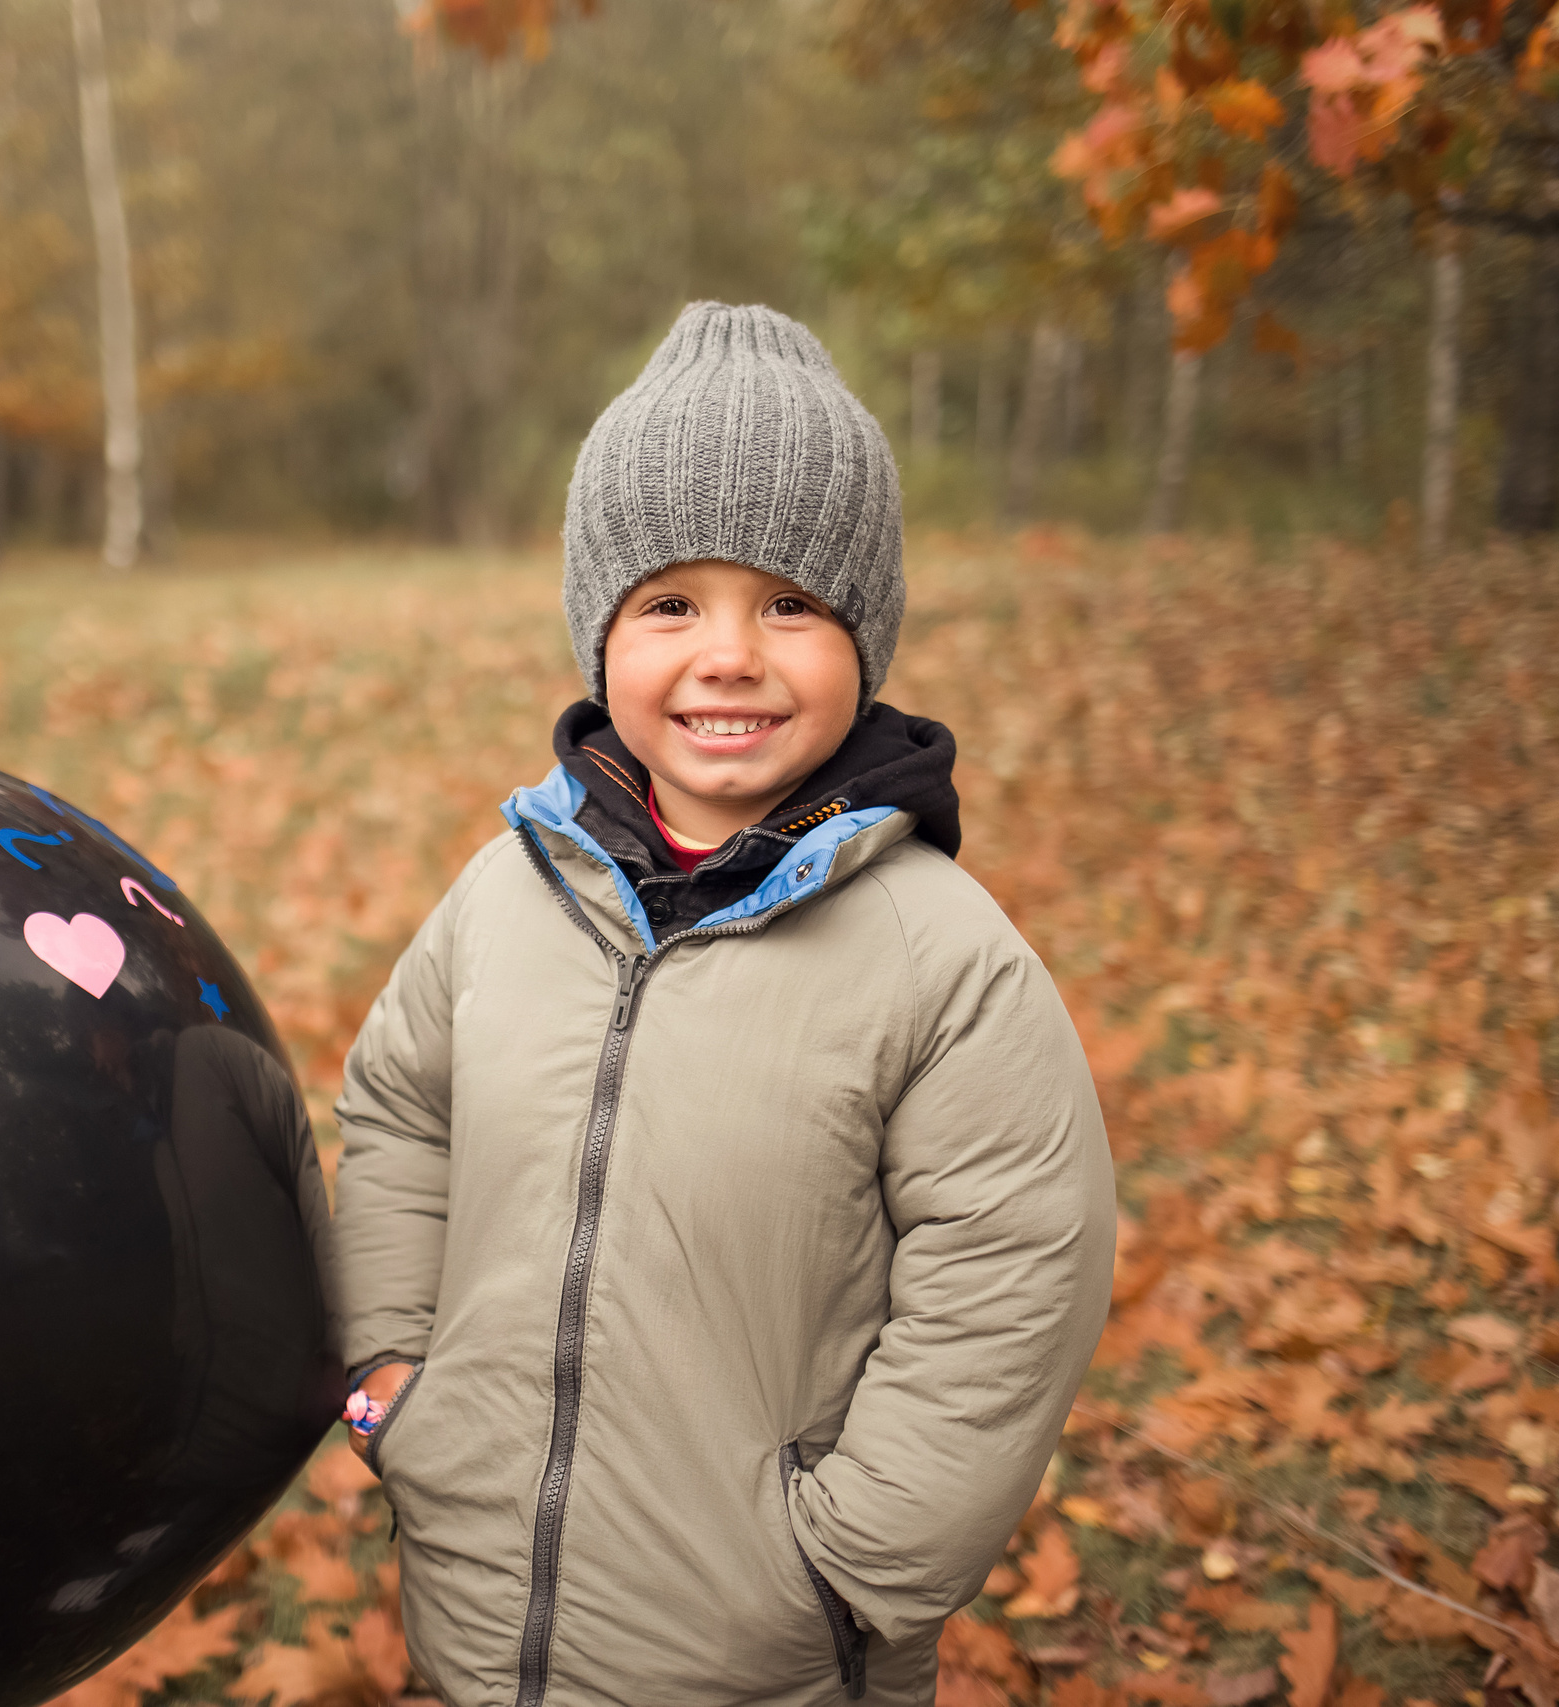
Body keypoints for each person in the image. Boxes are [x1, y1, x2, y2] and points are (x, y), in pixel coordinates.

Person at [328, 302, 1117, 1707]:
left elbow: (1012, 1266)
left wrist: (852, 1561)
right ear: (602, 635)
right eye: (672, 604)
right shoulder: (508, 896)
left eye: (790, 605)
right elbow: (400, 1109)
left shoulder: (939, 958)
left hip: (765, 1646)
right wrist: (398, 1362)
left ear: (864, 638)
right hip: (481, 1608)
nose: (731, 654)